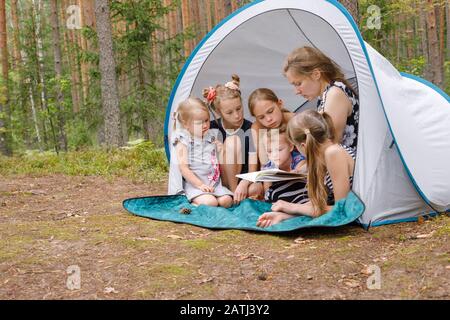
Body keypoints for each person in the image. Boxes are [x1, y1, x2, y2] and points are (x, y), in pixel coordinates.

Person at [256, 109, 356, 228]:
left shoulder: (333, 153)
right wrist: (284, 216)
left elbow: (342, 210)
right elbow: (321, 204)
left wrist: (293, 207)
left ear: (303, 146)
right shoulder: (324, 156)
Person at [283, 46, 359, 151]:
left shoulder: (334, 94)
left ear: (316, 74)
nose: (296, 91)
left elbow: (330, 144)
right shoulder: (325, 96)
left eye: (298, 83)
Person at [203, 75, 262, 204]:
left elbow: (253, 170)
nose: (237, 115)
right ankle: (231, 194)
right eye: (229, 112)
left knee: (256, 188)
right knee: (232, 141)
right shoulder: (211, 128)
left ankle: (234, 195)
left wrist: (243, 184)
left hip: (245, 180)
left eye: (239, 109)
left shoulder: (251, 129)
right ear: (219, 112)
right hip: (220, 182)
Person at [172, 97, 233, 208]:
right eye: (199, 123)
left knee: (227, 201)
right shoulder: (183, 140)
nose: (205, 125)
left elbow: (215, 159)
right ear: (186, 124)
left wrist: (220, 149)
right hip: (196, 185)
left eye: (206, 120)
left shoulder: (210, 136)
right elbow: (183, 168)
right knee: (211, 203)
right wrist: (200, 185)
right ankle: (193, 204)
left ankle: (215, 197)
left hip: (214, 184)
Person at [247, 88, 295, 171]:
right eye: (261, 117)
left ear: (280, 104)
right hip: (271, 173)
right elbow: (263, 162)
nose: (268, 119)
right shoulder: (257, 128)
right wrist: (251, 180)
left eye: (270, 111)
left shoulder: (295, 120)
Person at [261, 128, 307, 203]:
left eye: (279, 150)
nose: (274, 155)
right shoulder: (269, 167)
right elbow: (267, 191)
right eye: (270, 151)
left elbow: (302, 174)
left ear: (291, 147)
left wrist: (297, 171)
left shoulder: (299, 160)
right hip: (281, 196)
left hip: (300, 192)